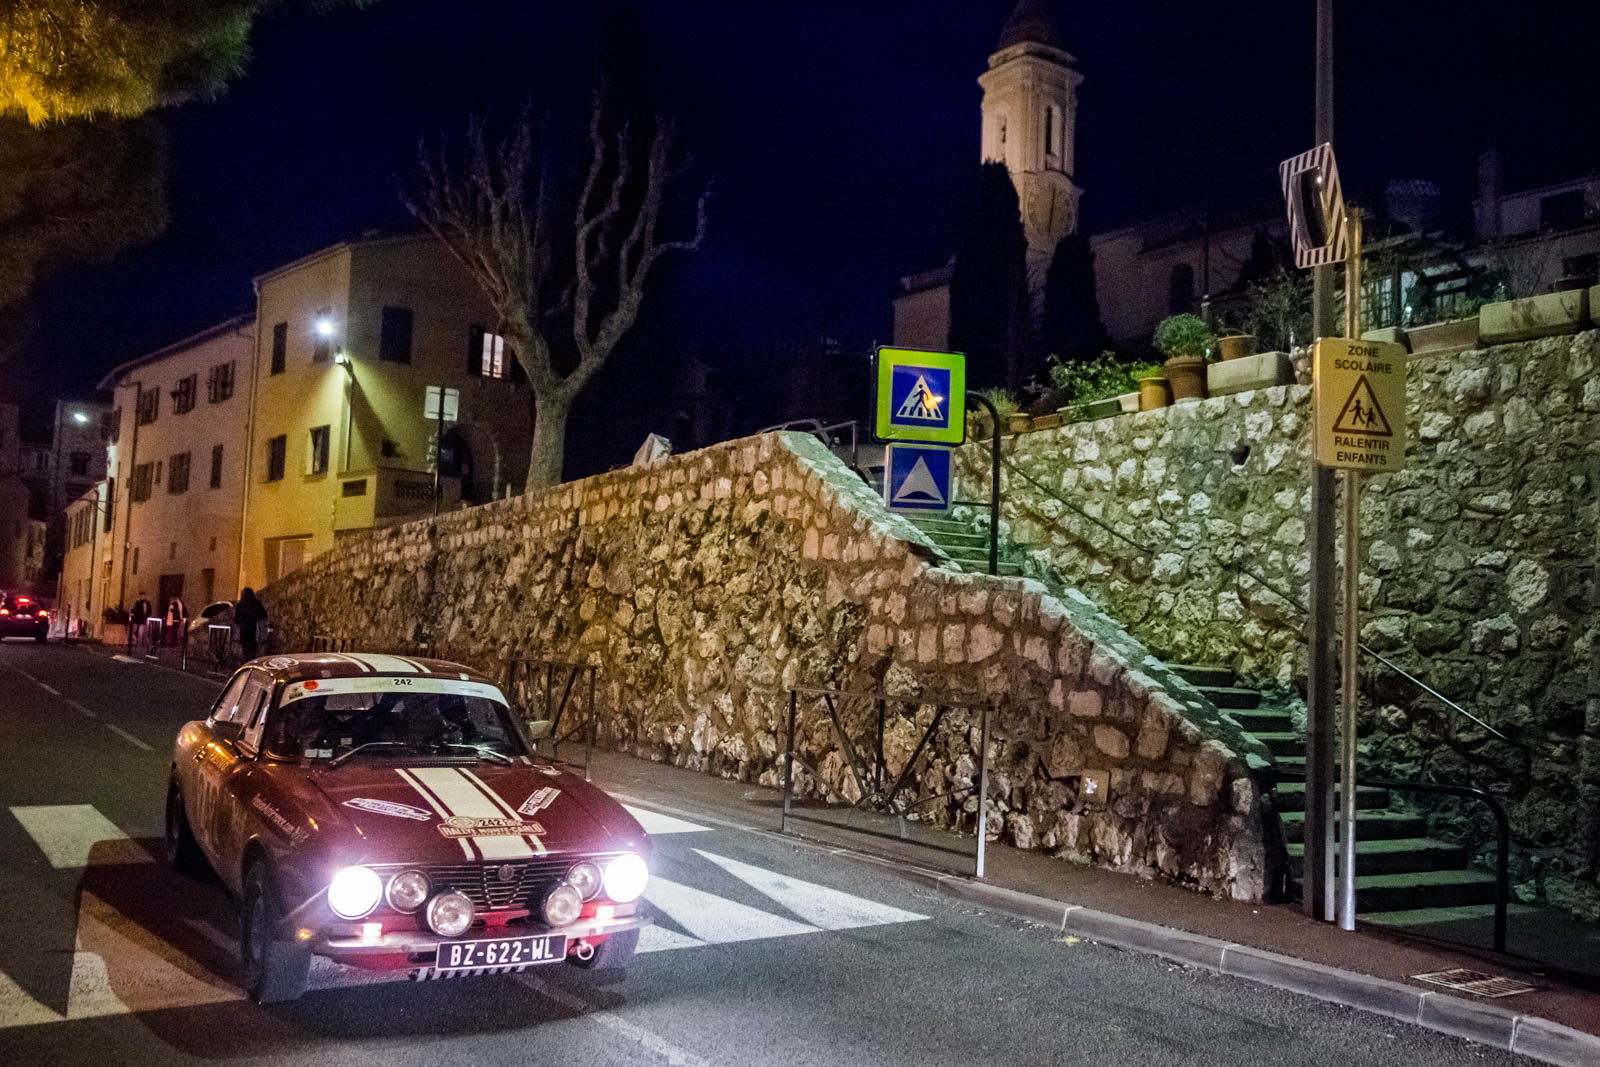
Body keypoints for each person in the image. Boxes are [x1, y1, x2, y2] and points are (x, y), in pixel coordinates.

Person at [235, 588, 267, 662]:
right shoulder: (256, 604)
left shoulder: (241, 605)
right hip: (253, 633)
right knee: (252, 654)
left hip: (246, 633)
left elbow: (237, 620)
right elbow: (262, 618)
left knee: (246, 654)